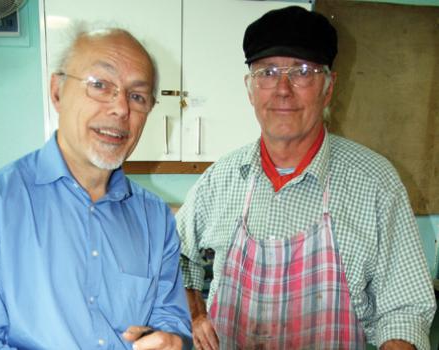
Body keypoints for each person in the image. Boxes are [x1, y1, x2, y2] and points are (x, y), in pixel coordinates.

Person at [176, 6, 436, 350]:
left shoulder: (374, 183)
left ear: (328, 88)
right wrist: (195, 313)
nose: (283, 89)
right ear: (250, 89)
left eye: (302, 71)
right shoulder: (222, 179)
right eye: (267, 72)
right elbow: (174, 255)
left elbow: (404, 310)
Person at [0, 24, 192, 350]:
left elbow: (172, 323)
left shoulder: (155, 218)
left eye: (137, 96)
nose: (121, 108)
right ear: (57, 91)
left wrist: (175, 341)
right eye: (100, 85)